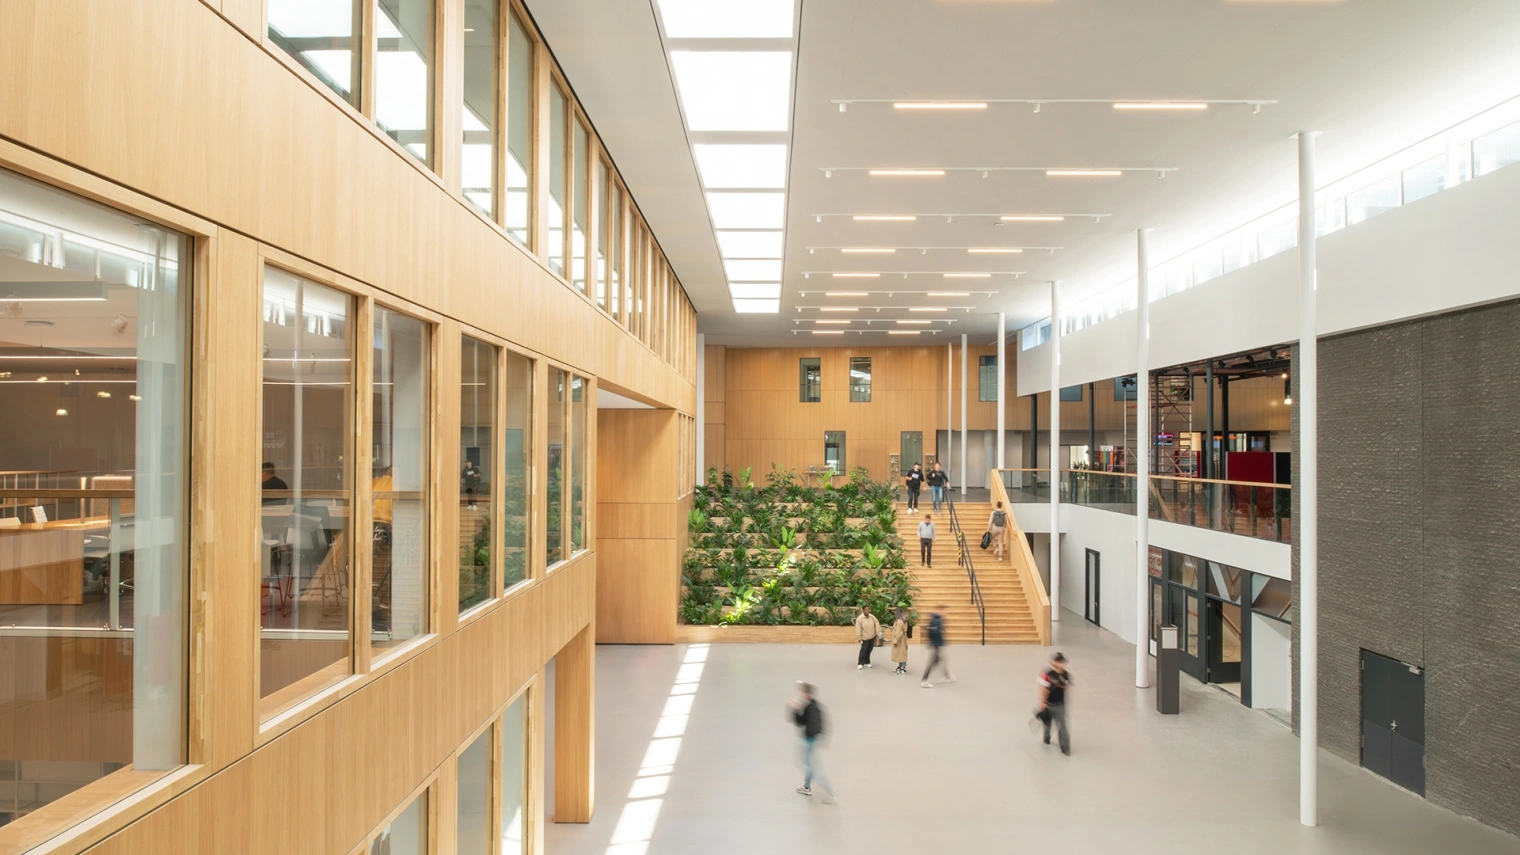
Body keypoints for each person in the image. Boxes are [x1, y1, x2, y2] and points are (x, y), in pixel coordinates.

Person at [788, 682, 836, 803]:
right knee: (808, 764)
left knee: (810, 768)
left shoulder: (811, 707)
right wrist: (795, 709)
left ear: (805, 693)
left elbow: (804, 723)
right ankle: (806, 787)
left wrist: (814, 737)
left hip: (810, 740)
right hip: (811, 739)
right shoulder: (812, 705)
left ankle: (832, 794)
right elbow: (803, 721)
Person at [1037, 652, 1074, 755]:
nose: (1062, 664)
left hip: (1060, 704)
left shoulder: (1066, 675)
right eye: (1059, 662)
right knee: (1048, 723)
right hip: (1048, 704)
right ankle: (1046, 737)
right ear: (1055, 663)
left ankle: (1065, 747)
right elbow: (1044, 689)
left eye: (1062, 662)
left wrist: (1065, 700)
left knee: (1062, 725)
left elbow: (1066, 688)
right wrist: (1043, 702)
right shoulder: (1048, 675)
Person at [920, 604, 954, 687]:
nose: (946, 612)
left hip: (936, 643)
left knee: (941, 659)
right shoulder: (937, 620)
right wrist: (940, 642)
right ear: (940, 611)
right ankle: (924, 680)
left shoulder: (936, 619)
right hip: (936, 644)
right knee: (934, 661)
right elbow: (936, 633)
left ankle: (947, 676)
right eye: (945, 610)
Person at [853, 605, 881, 670]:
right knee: (863, 650)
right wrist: (859, 637)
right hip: (864, 637)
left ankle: (867, 662)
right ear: (863, 610)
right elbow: (858, 628)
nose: (867, 611)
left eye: (868, 609)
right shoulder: (859, 619)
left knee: (869, 650)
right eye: (866, 610)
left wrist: (877, 632)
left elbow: (876, 622)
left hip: (872, 636)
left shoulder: (872, 616)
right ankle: (860, 663)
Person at [890, 606, 910, 674]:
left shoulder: (899, 622)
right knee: (901, 654)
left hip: (900, 640)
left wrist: (896, 640)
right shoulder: (903, 620)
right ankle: (900, 666)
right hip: (903, 640)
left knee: (901, 654)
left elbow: (899, 632)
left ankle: (902, 668)